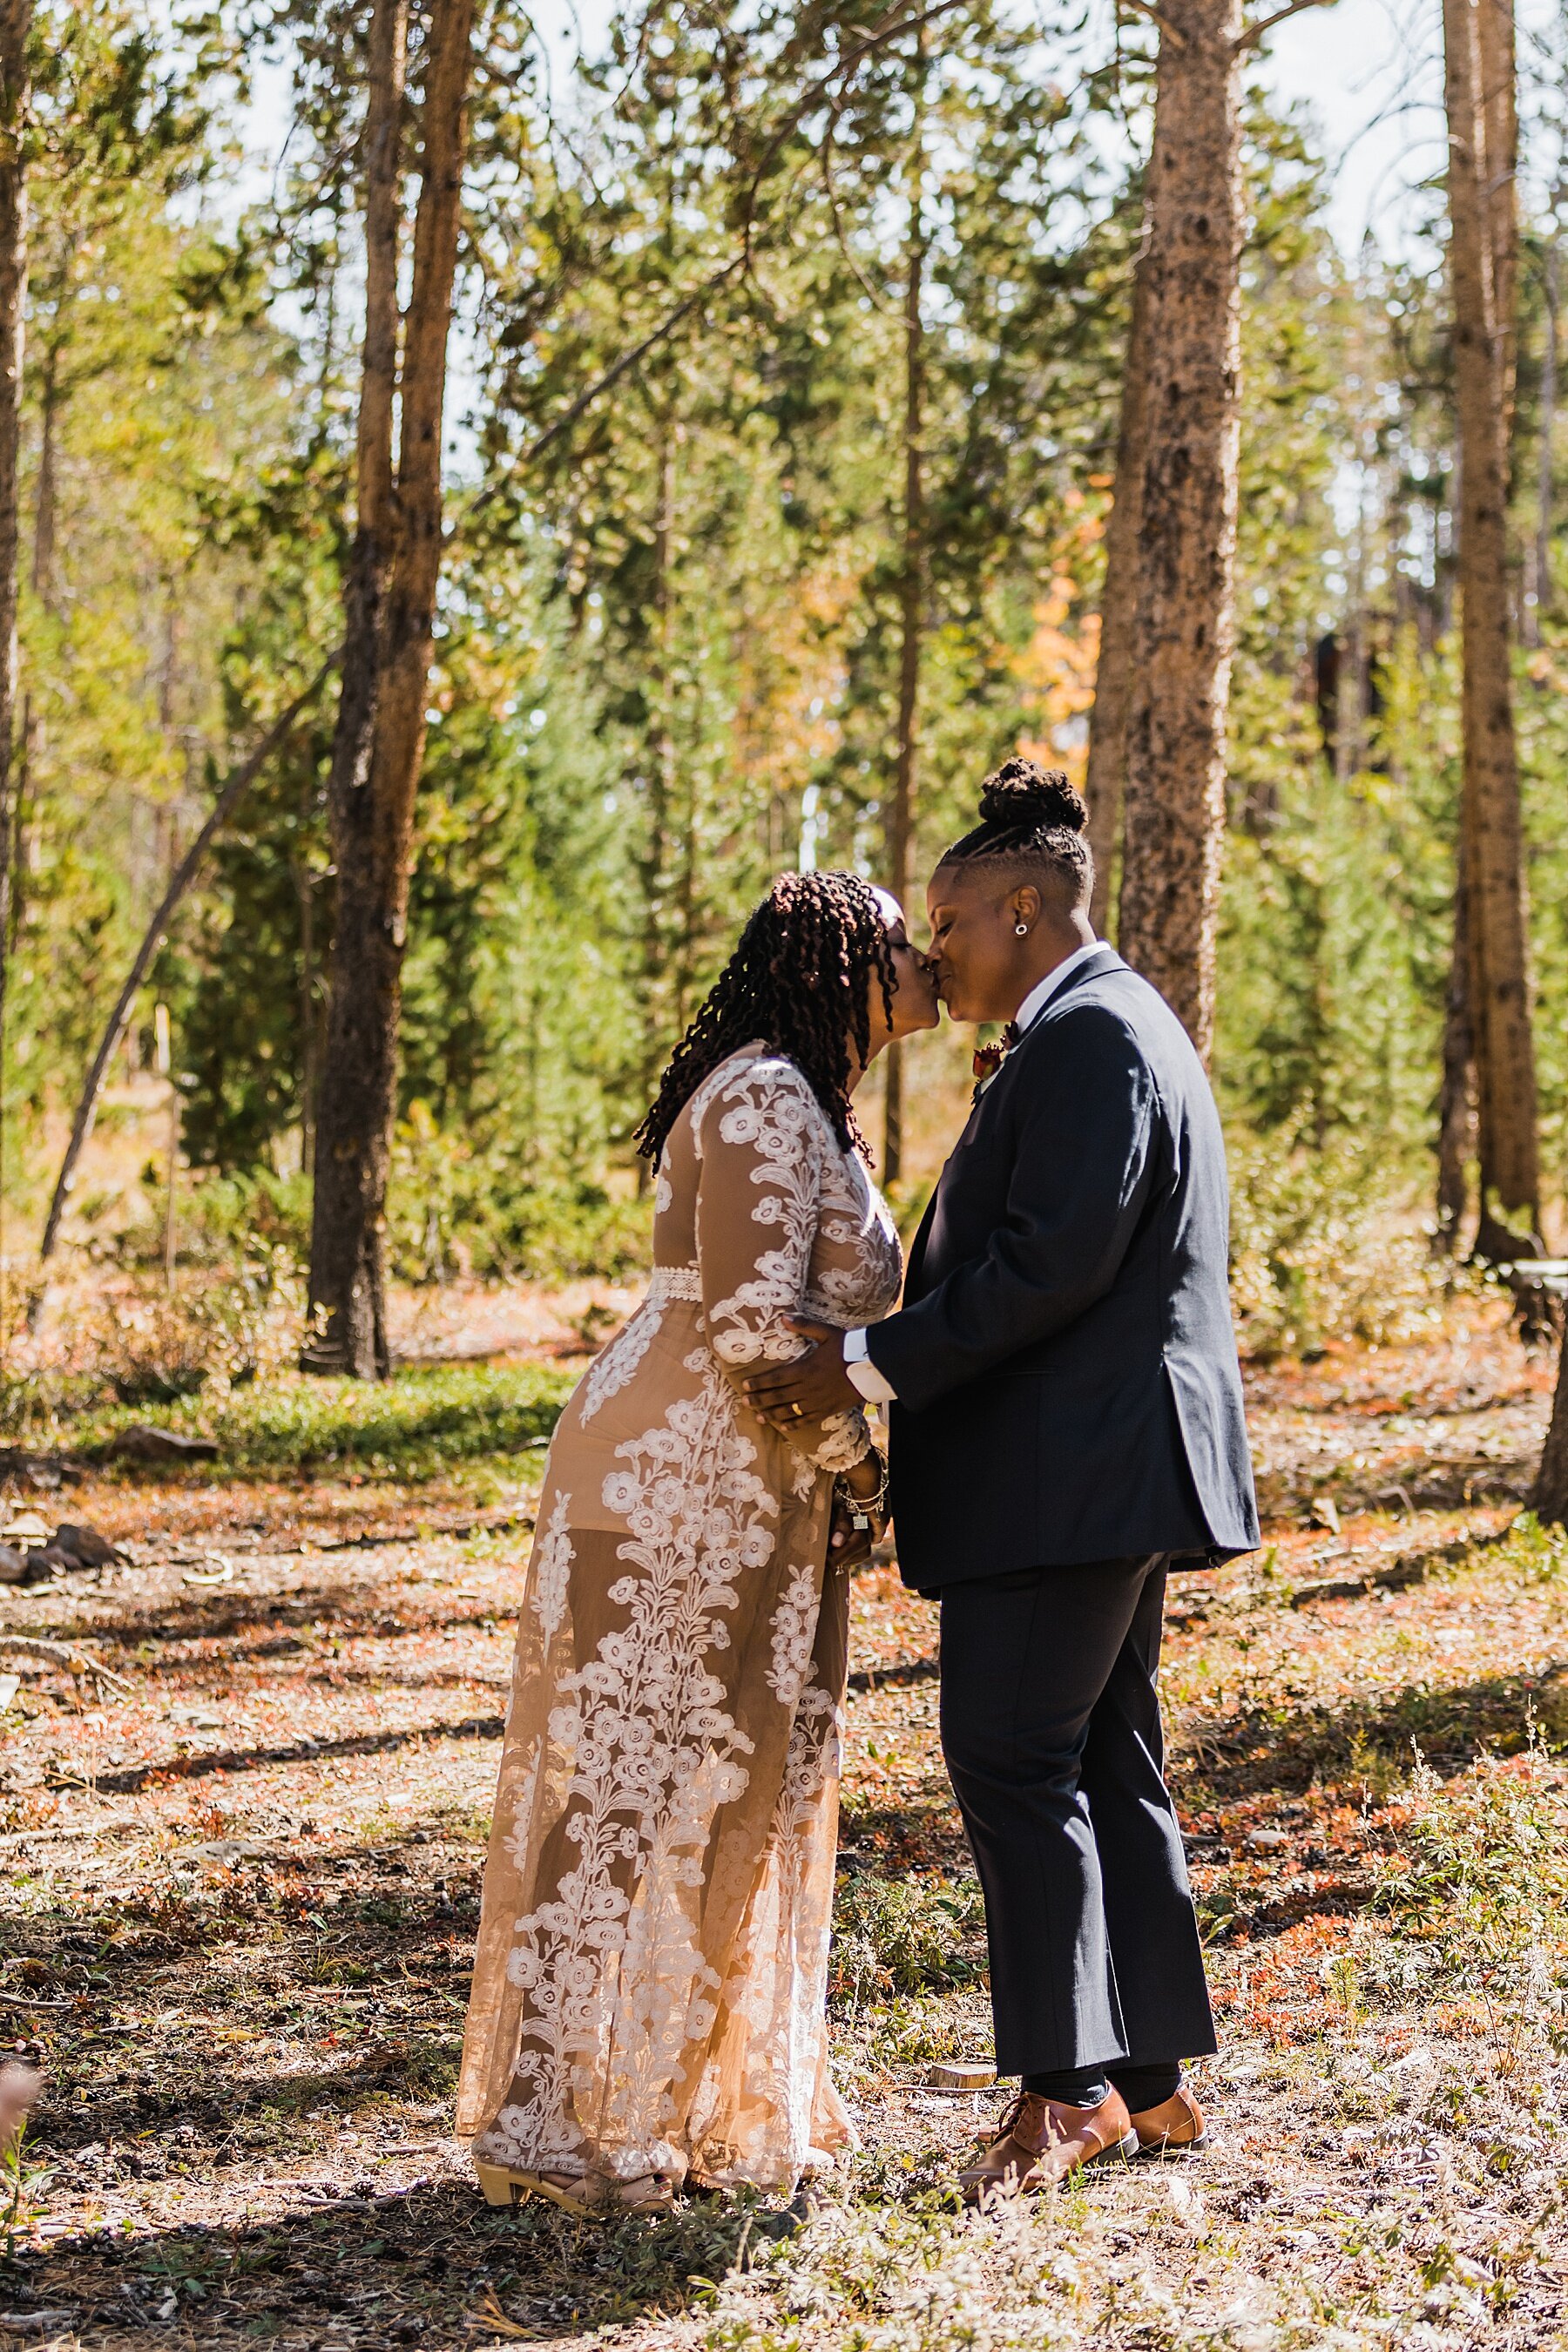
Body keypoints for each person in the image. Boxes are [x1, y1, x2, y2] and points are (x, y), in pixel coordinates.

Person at [746, 761, 1258, 2202]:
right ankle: (1148, 2081)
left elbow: (1048, 1265)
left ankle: (1059, 2094)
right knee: (1100, 1758)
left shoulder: (1095, 1037)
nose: (936, 951)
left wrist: (859, 1363)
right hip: (1096, 1466)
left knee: (1013, 1762)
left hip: (1071, 1472)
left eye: (954, 919)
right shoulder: (1102, 1027)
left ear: (1023, 909)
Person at [457, 870, 939, 2215]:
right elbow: (747, 1329)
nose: (925, 965)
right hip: (673, 1487)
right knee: (623, 1782)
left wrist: (836, 1480)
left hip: (750, 1492)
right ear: (841, 962)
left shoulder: (809, 1100)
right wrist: (861, 1471)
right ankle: (553, 2119)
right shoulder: (769, 1093)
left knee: (730, 1792)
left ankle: (689, 2094)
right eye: (902, 945)